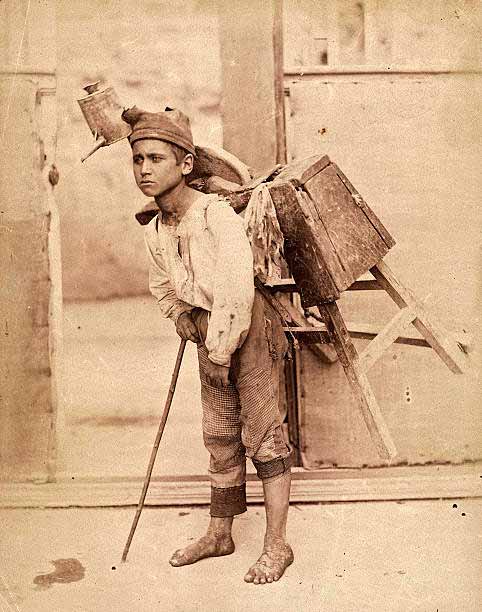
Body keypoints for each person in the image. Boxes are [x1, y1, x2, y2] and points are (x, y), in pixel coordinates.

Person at [122, 106, 294, 584]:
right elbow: (162, 285)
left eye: (156, 158)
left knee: (261, 434)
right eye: (137, 160)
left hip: (248, 332)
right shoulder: (157, 229)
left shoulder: (214, 216)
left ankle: (278, 545)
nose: (144, 169)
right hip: (208, 332)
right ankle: (220, 533)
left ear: (186, 165)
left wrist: (219, 351)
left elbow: (238, 292)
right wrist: (181, 314)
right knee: (219, 436)